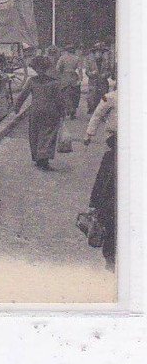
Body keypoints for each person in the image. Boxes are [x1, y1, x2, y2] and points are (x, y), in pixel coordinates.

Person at [83, 81, 117, 269]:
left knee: (107, 187)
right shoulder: (110, 97)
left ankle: (110, 256)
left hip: (117, 145)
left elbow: (97, 114)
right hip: (119, 145)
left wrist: (89, 135)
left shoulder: (110, 96)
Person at [14, 55, 65, 170]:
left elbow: (22, 96)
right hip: (51, 112)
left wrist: (17, 107)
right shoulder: (54, 83)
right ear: (47, 68)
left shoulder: (31, 81)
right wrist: (62, 112)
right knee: (48, 135)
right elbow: (59, 100)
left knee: (35, 134)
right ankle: (44, 160)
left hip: (35, 111)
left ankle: (37, 158)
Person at [56, 45, 82, 119]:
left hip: (64, 78)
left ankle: (68, 110)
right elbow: (80, 69)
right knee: (75, 95)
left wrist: (60, 75)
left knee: (65, 95)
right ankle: (73, 109)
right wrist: (80, 79)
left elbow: (57, 68)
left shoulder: (62, 58)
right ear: (74, 51)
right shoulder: (77, 58)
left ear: (66, 51)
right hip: (74, 77)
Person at [85, 43, 111, 114]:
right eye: (97, 52)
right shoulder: (90, 61)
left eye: (100, 52)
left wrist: (105, 75)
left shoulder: (106, 61)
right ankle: (92, 110)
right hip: (93, 82)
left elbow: (109, 72)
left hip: (103, 82)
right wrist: (91, 73)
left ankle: (105, 112)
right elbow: (87, 71)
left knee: (104, 97)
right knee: (91, 98)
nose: (98, 54)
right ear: (94, 53)